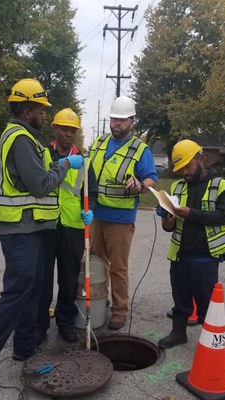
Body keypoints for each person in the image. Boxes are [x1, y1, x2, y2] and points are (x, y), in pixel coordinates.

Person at [0, 79, 84, 397]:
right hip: (19, 228)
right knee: (17, 292)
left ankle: (23, 346)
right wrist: (63, 165)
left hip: (31, 227)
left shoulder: (27, 138)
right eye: (41, 111)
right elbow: (40, 184)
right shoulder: (19, 138)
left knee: (30, 287)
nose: (44, 116)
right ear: (27, 109)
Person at [89, 96, 158, 330]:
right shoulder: (99, 143)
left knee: (118, 267)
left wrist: (140, 185)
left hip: (121, 218)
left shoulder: (141, 149)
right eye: (114, 119)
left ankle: (119, 311)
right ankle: (100, 300)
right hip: (97, 215)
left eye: (122, 120)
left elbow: (152, 178)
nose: (116, 124)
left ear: (132, 122)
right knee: (97, 263)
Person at [158, 139, 225, 349]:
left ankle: (209, 341)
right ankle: (178, 333)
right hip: (181, 255)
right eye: (180, 169)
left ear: (200, 160)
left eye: (187, 167)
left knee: (206, 303)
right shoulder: (176, 186)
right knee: (180, 299)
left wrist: (192, 214)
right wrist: (168, 221)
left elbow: (224, 216)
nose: (184, 173)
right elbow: (168, 226)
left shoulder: (221, 186)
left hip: (205, 257)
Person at [36, 108, 98, 344]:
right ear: (55, 129)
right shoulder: (43, 155)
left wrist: (90, 208)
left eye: (73, 130)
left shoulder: (83, 161)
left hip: (72, 226)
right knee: (42, 278)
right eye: (64, 129)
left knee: (69, 279)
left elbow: (91, 191)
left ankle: (65, 322)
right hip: (46, 223)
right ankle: (39, 324)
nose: (69, 134)